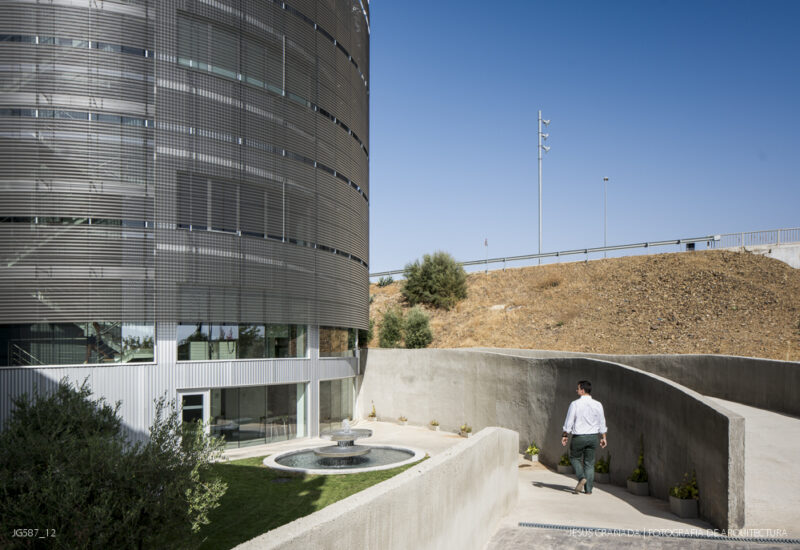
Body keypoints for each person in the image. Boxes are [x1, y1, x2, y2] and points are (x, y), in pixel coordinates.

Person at [561, 380, 607, 495]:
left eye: (577, 389)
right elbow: (602, 422)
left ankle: (581, 477)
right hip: (593, 437)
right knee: (589, 463)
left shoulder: (575, 404)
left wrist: (565, 435)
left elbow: (569, 421)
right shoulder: (598, 404)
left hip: (579, 437)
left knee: (574, 458)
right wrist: (603, 437)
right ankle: (588, 490)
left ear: (582, 390)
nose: (576, 391)